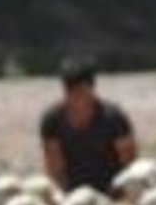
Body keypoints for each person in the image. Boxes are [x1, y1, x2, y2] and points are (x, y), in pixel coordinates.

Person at [40, 57, 137, 192]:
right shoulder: (53, 122)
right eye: (71, 93)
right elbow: (55, 171)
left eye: (81, 92)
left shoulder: (114, 119)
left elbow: (129, 166)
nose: (76, 100)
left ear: (92, 89)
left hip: (112, 192)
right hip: (72, 193)